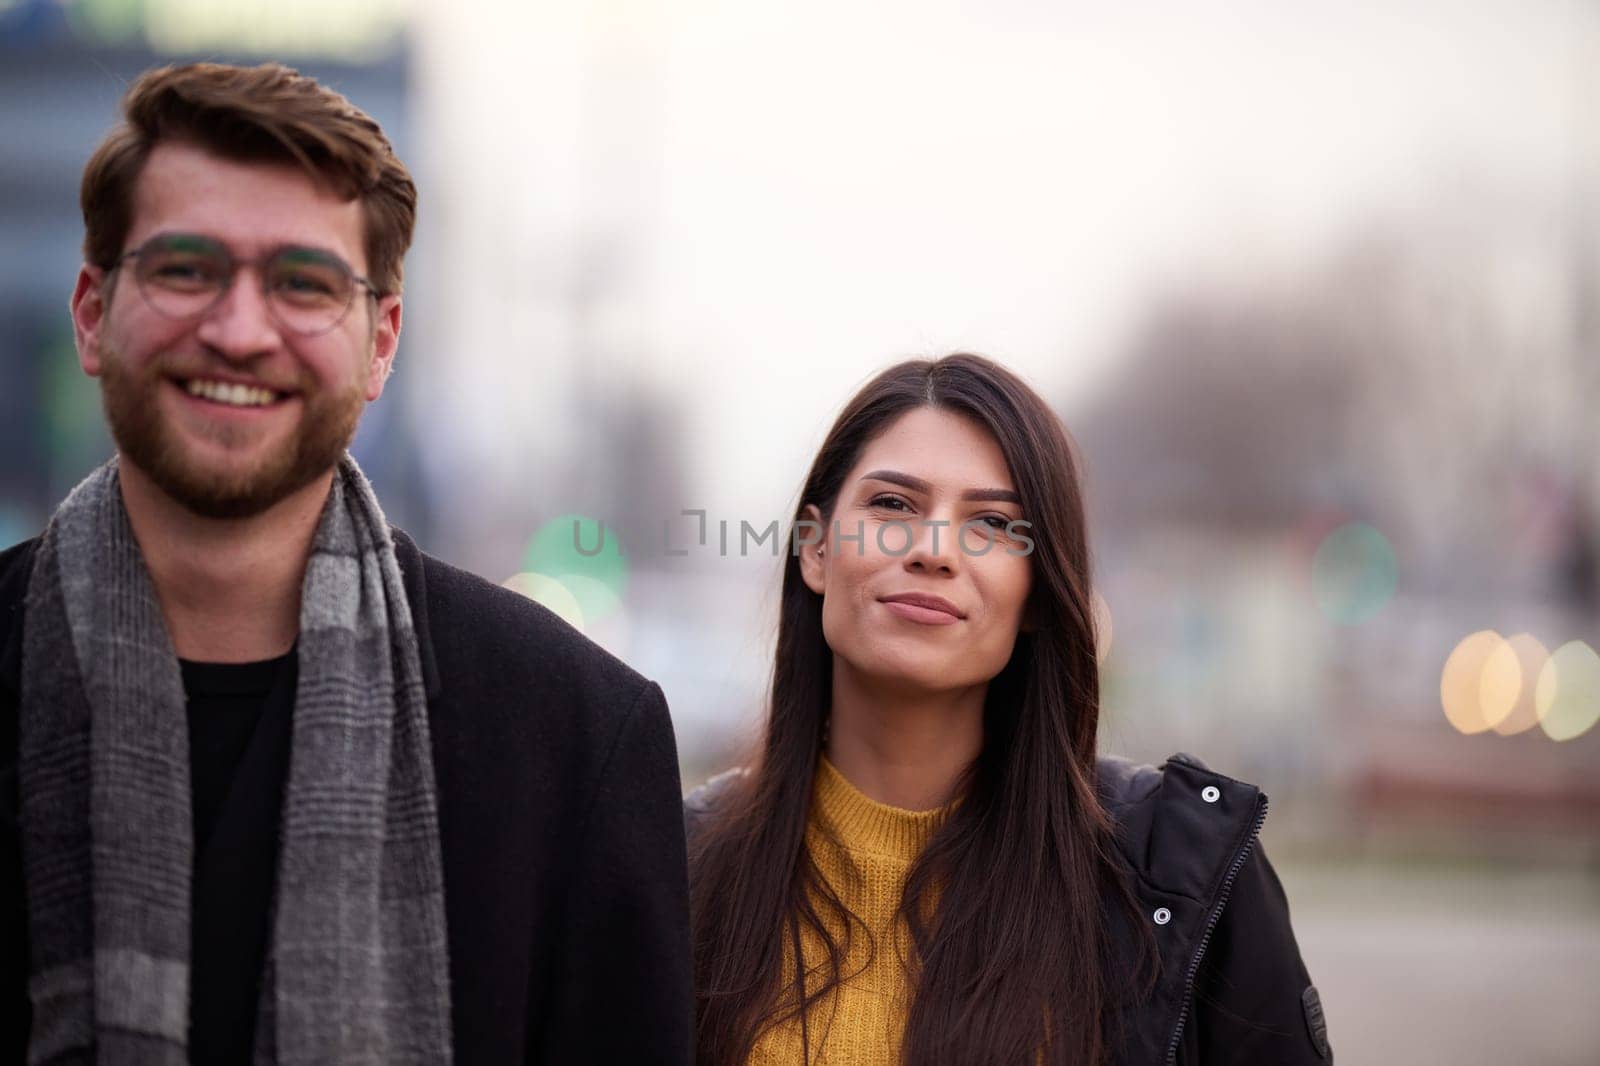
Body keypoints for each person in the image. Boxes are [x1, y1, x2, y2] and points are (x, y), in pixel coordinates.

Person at [0, 62, 692, 1064]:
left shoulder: (574, 739)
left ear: (381, 343)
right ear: (93, 311)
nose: (239, 331)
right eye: (187, 268)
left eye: (304, 284)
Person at [684, 354, 1332, 1065]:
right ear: (814, 550)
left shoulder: (1177, 874)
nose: (934, 550)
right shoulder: (679, 868)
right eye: (892, 505)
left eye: (992, 523)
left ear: (1037, 595)